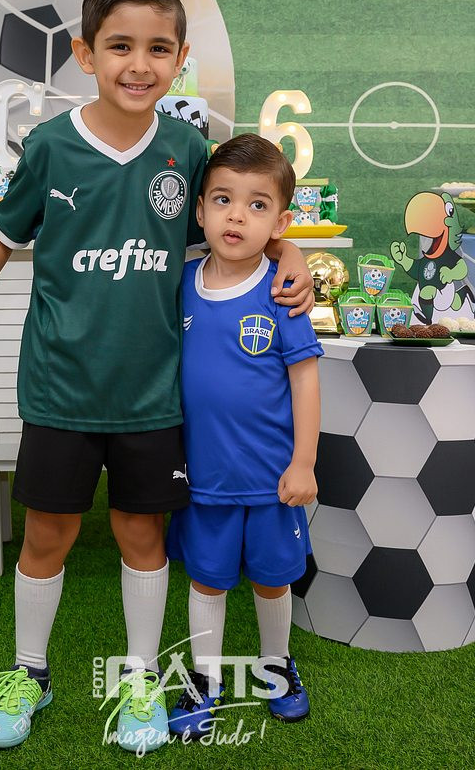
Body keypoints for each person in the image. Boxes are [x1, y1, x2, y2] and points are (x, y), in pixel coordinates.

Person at [0, 0, 313, 752]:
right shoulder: (51, 145)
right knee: (48, 534)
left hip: (152, 395)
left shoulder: (187, 148)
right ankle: (29, 672)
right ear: (85, 54)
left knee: (142, 537)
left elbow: (237, 214)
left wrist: (289, 252)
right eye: (119, 46)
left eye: (157, 49)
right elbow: (2, 233)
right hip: (61, 388)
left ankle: (142, 678)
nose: (138, 65)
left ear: (180, 58)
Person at [165, 134, 322, 738]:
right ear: (199, 210)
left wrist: (303, 462)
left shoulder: (282, 291)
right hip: (204, 477)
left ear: (281, 223)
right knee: (207, 578)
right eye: (223, 200)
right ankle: (204, 680)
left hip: (271, 477)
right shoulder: (180, 283)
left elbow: (305, 382)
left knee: (272, 577)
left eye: (257, 205)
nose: (236, 216)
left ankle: (276, 666)